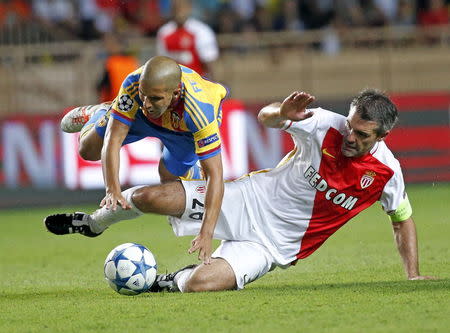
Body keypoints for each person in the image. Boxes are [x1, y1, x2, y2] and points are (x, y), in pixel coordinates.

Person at [45, 89, 435, 293]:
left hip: (273, 248)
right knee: (149, 196)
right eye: (351, 127)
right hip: (248, 199)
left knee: (202, 285)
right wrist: (282, 113)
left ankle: (163, 281)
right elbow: (265, 117)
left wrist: (413, 275)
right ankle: (95, 223)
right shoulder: (325, 124)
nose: (350, 137)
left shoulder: (387, 172)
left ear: (383, 135)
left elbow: (402, 220)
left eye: (362, 135)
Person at [59, 56, 228, 263]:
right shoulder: (133, 83)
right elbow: (113, 140)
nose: (147, 103)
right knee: (88, 151)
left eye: (155, 98)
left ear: (175, 93)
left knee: (168, 178)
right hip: (140, 119)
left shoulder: (200, 112)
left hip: (184, 132)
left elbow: (215, 175)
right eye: (143, 95)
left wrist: (206, 233)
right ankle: (100, 112)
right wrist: (112, 189)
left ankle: (190, 173)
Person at [156, 0, 219, 77]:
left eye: (182, 7)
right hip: (172, 84)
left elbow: (210, 62)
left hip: (196, 83)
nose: (179, 11)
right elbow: (162, 62)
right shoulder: (164, 32)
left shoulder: (201, 31)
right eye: (175, 8)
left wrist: (212, 85)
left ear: (189, 8)